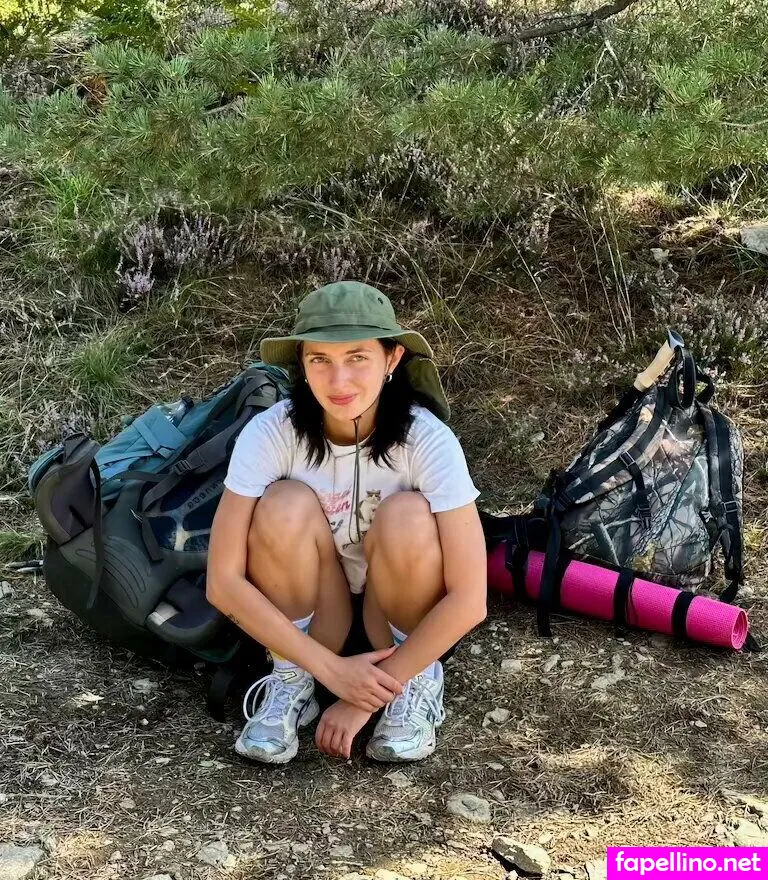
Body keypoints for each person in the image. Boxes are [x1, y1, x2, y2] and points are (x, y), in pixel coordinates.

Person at [206, 280, 487, 764]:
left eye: (358, 358)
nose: (339, 382)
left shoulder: (427, 439)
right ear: (302, 364)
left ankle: (411, 682)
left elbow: (470, 599)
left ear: (392, 359)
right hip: (314, 615)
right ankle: (292, 678)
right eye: (320, 360)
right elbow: (222, 582)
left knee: (407, 514)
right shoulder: (271, 433)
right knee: (282, 503)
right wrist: (332, 673)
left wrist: (364, 698)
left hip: (397, 615)